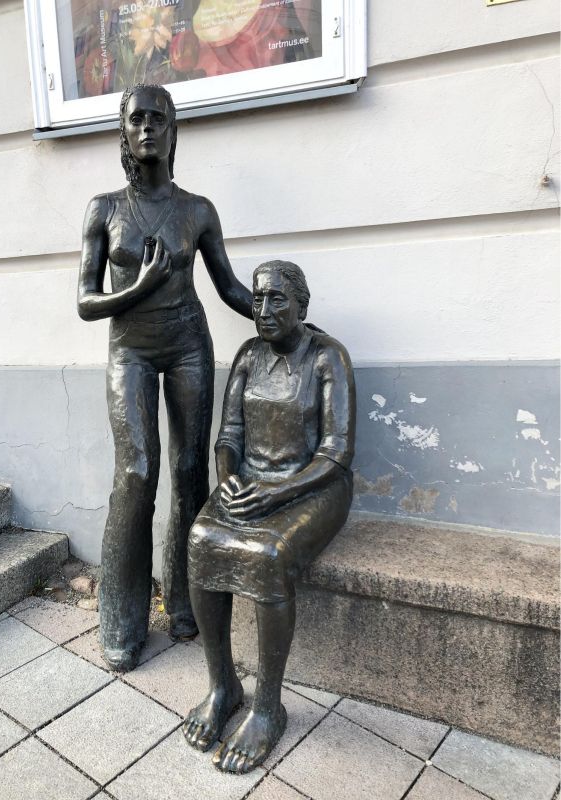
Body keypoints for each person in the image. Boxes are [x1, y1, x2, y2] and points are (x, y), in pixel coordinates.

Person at [77, 83, 253, 670]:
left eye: (158, 119)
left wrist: (280, 316)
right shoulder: (103, 209)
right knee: (135, 472)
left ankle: (185, 603)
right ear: (123, 133)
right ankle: (122, 619)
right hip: (129, 350)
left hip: (187, 348)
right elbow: (86, 302)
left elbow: (228, 287)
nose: (147, 127)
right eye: (137, 119)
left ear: (174, 132)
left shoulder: (197, 211)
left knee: (189, 470)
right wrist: (140, 287)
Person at [184, 260, 356, 773]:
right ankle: (223, 687)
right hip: (251, 485)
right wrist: (227, 480)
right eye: (258, 298)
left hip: (315, 488)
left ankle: (267, 708)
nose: (263, 309)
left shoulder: (328, 357)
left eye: (277, 299)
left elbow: (336, 453)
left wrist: (278, 491)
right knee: (201, 538)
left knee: (267, 553)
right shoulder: (248, 355)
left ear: (301, 305)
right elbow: (229, 436)